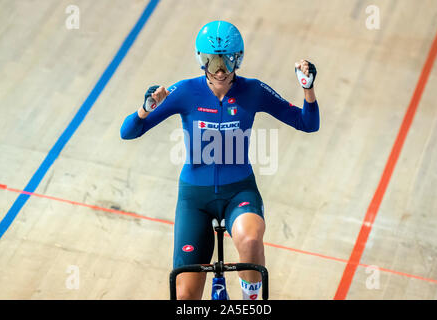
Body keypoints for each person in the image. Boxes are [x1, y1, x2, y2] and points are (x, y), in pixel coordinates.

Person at [120, 20, 320, 300]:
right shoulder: (185, 92)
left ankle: (250, 300)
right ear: (200, 59)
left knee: (250, 239)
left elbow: (307, 123)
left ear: (238, 59)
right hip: (195, 198)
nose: (220, 70)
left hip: (239, 191)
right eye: (212, 61)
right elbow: (128, 132)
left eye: (226, 60)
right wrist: (144, 109)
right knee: (185, 297)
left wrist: (308, 90)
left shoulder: (254, 91)